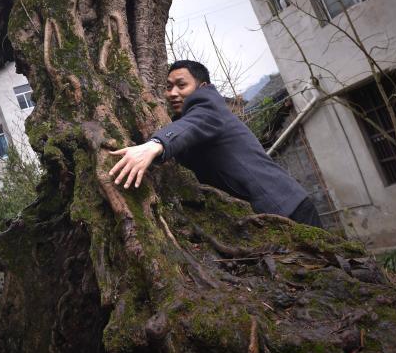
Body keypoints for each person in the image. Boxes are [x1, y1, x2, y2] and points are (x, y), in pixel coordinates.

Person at [108, 59, 323, 227]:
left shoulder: (209, 106)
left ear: (202, 87)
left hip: (286, 206)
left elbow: (192, 124)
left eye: (181, 85)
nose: (172, 93)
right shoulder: (187, 120)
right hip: (269, 212)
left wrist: (154, 145)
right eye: (169, 86)